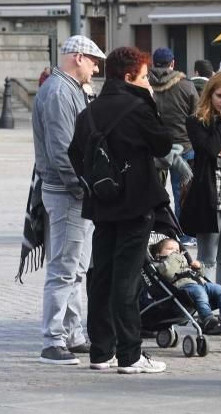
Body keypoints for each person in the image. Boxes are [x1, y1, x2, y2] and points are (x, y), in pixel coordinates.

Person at [68, 46, 172, 374]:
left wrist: (99, 184)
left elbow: (74, 154)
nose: (148, 82)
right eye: (143, 77)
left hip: (102, 205)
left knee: (102, 277)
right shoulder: (138, 108)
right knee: (126, 281)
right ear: (129, 77)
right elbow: (163, 145)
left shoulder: (90, 111)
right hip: (136, 203)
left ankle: (101, 352)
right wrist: (152, 104)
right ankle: (130, 355)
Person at [33, 35, 104, 365]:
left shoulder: (68, 90)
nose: (96, 67)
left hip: (71, 191)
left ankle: (73, 333)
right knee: (64, 268)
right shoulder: (61, 91)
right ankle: (54, 338)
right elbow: (63, 152)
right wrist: (81, 189)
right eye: (93, 60)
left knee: (75, 267)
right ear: (78, 57)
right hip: (67, 193)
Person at [181, 72, 221, 300]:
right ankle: (204, 307)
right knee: (207, 256)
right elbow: (209, 150)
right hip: (210, 194)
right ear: (209, 94)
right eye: (219, 96)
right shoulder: (197, 120)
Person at [148, 47, 200, 236]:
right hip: (184, 146)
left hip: (154, 148)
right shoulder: (186, 85)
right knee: (182, 194)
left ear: (154, 63)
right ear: (173, 63)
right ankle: (183, 234)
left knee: (154, 193)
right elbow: (197, 115)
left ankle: (156, 232)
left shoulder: (146, 84)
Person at [149, 238, 221, 331]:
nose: (175, 252)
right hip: (182, 287)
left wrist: (198, 267)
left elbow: (200, 274)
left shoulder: (182, 260)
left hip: (198, 283)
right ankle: (206, 319)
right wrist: (174, 257)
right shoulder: (161, 263)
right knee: (199, 292)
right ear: (158, 254)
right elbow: (168, 273)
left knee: (220, 289)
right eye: (170, 249)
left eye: (177, 250)